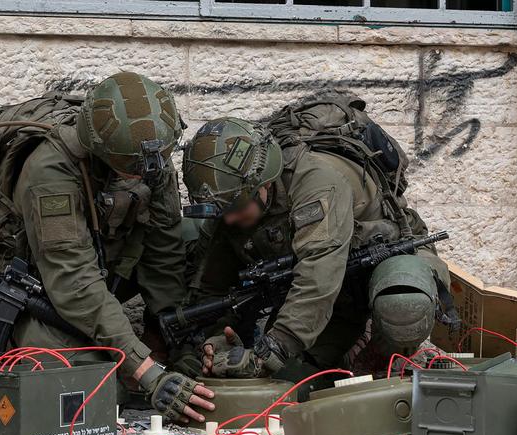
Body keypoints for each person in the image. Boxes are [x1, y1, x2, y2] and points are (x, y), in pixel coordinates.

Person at [0, 72, 214, 423]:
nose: (148, 171)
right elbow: (74, 282)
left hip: (106, 265)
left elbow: (165, 254)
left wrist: (178, 336)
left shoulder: (150, 158)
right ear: (102, 152)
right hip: (43, 287)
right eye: (133, 167)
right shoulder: (50, 172)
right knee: (95, 393)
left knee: (196, 235)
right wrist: (148, 372)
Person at [181, 97, 455, 384]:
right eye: (223, 212)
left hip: (382, 262)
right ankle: (344, 352)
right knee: (292, 384)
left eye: (237, 209)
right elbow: (212, 285)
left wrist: (270, 351)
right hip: (331, 292)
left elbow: (317, 277)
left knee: (403, 302)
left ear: (264, 184)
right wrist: (212, 341)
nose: (229, 220)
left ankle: (382, 356)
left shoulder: (317, 182)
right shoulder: (232, 200)